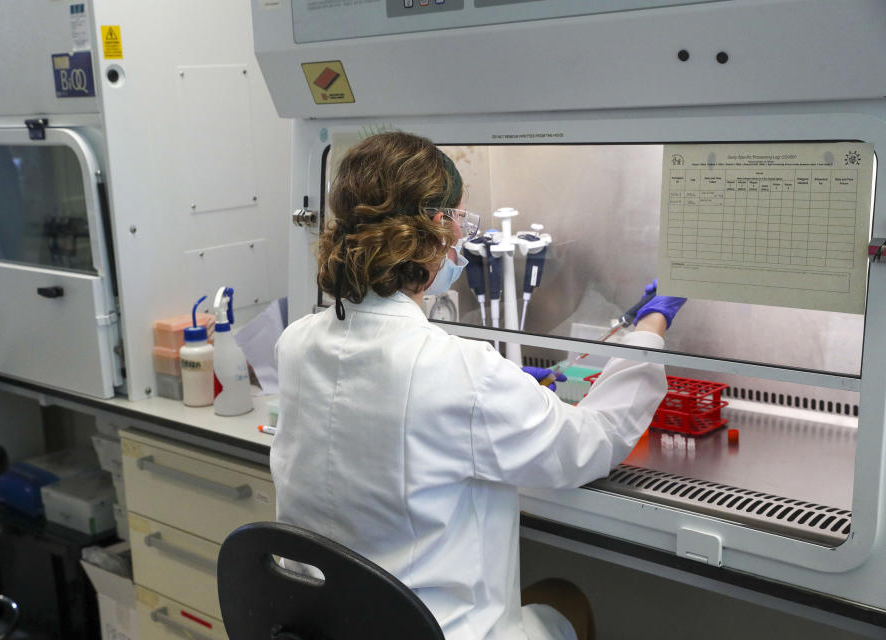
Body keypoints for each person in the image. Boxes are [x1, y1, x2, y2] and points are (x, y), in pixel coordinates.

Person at [271, 132, 686, 640]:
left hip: (331, 631)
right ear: (436, 231)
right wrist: (648, 335)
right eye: (461, 221)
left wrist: (503, 395)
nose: (463, 240)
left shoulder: (295, 344)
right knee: (566, 599)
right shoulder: (457, 371)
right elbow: (588, 444)